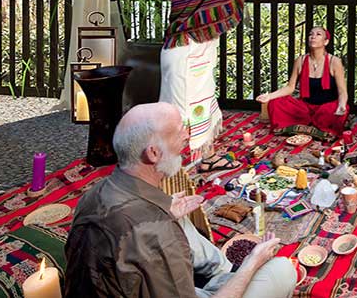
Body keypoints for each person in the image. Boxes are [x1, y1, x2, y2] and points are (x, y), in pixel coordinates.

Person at [65, 102, 297, 298]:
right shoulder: (158, 233)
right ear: (153, 153)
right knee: (283, 269)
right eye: (179, 132)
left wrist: (167, 216)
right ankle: (233, 276)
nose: (187, 136)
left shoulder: (92, 195)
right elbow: (144, 238)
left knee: (178, 216)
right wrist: (252, 262)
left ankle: (224, 272)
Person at [159, 0, 246, 160]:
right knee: (183, 112)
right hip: (186, 52)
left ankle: (199, 161)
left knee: (197, 105)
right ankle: (175, 169)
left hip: (187, 49)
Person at [256, 26, 349, 137]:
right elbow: (290, 87)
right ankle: (310, 125)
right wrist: (269, 96)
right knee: (276, 103)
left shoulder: (334, 61)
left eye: (318, 34)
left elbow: (342, 91)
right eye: (311, 34)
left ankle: (313, 127)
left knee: (336, 110)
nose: (313, 36)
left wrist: (341, 106)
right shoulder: (300, 60)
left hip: (326, 108)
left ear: (326, 41)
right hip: (304, 108)